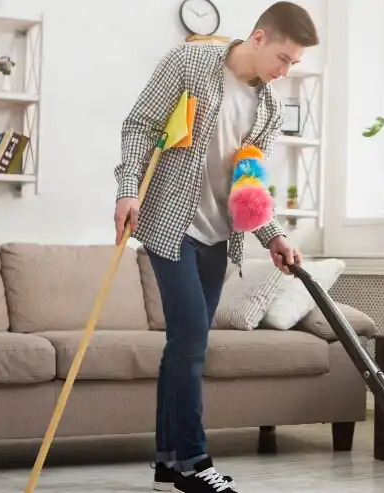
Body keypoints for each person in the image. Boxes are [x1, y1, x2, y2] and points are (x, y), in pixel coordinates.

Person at [113, 2, 317, 492]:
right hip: (169, 225)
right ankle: (193, 461)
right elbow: (139, 124)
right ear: (260, 37)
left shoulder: (267, 107)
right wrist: (125, 189)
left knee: (183, 346)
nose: (285, 71)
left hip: (218, 239)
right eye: (285, 58)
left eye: (295, 65)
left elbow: (251, 186)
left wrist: (274, 236)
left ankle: (166, 460)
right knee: (191, 342)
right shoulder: (190, 64)